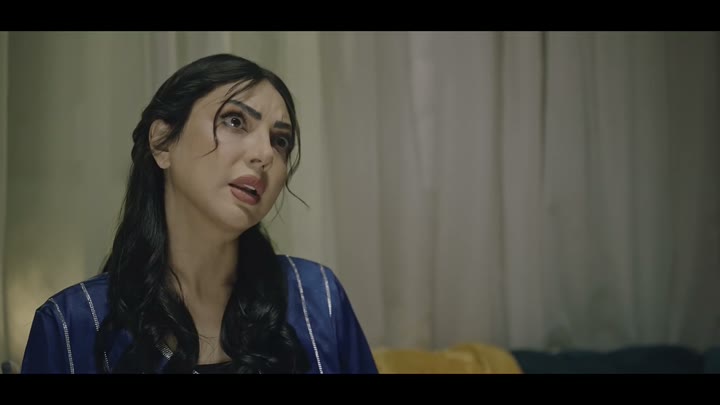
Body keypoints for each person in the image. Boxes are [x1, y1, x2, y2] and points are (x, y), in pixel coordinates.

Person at [20, 53, 378, 374]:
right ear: (162, 143)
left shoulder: (318, 297)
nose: (265, 154)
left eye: (280, 140)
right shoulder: (71, 323)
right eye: (235, 121)